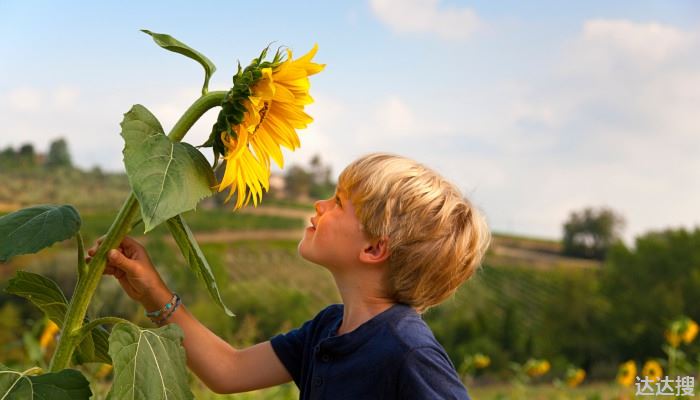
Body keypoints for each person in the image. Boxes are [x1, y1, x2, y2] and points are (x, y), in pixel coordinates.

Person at [87, 153, 491, 399]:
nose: (319, 204)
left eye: (338, 202)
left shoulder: (408, 351)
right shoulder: (328, 329)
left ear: (373, 249)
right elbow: (228, 371)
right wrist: (152, 292)